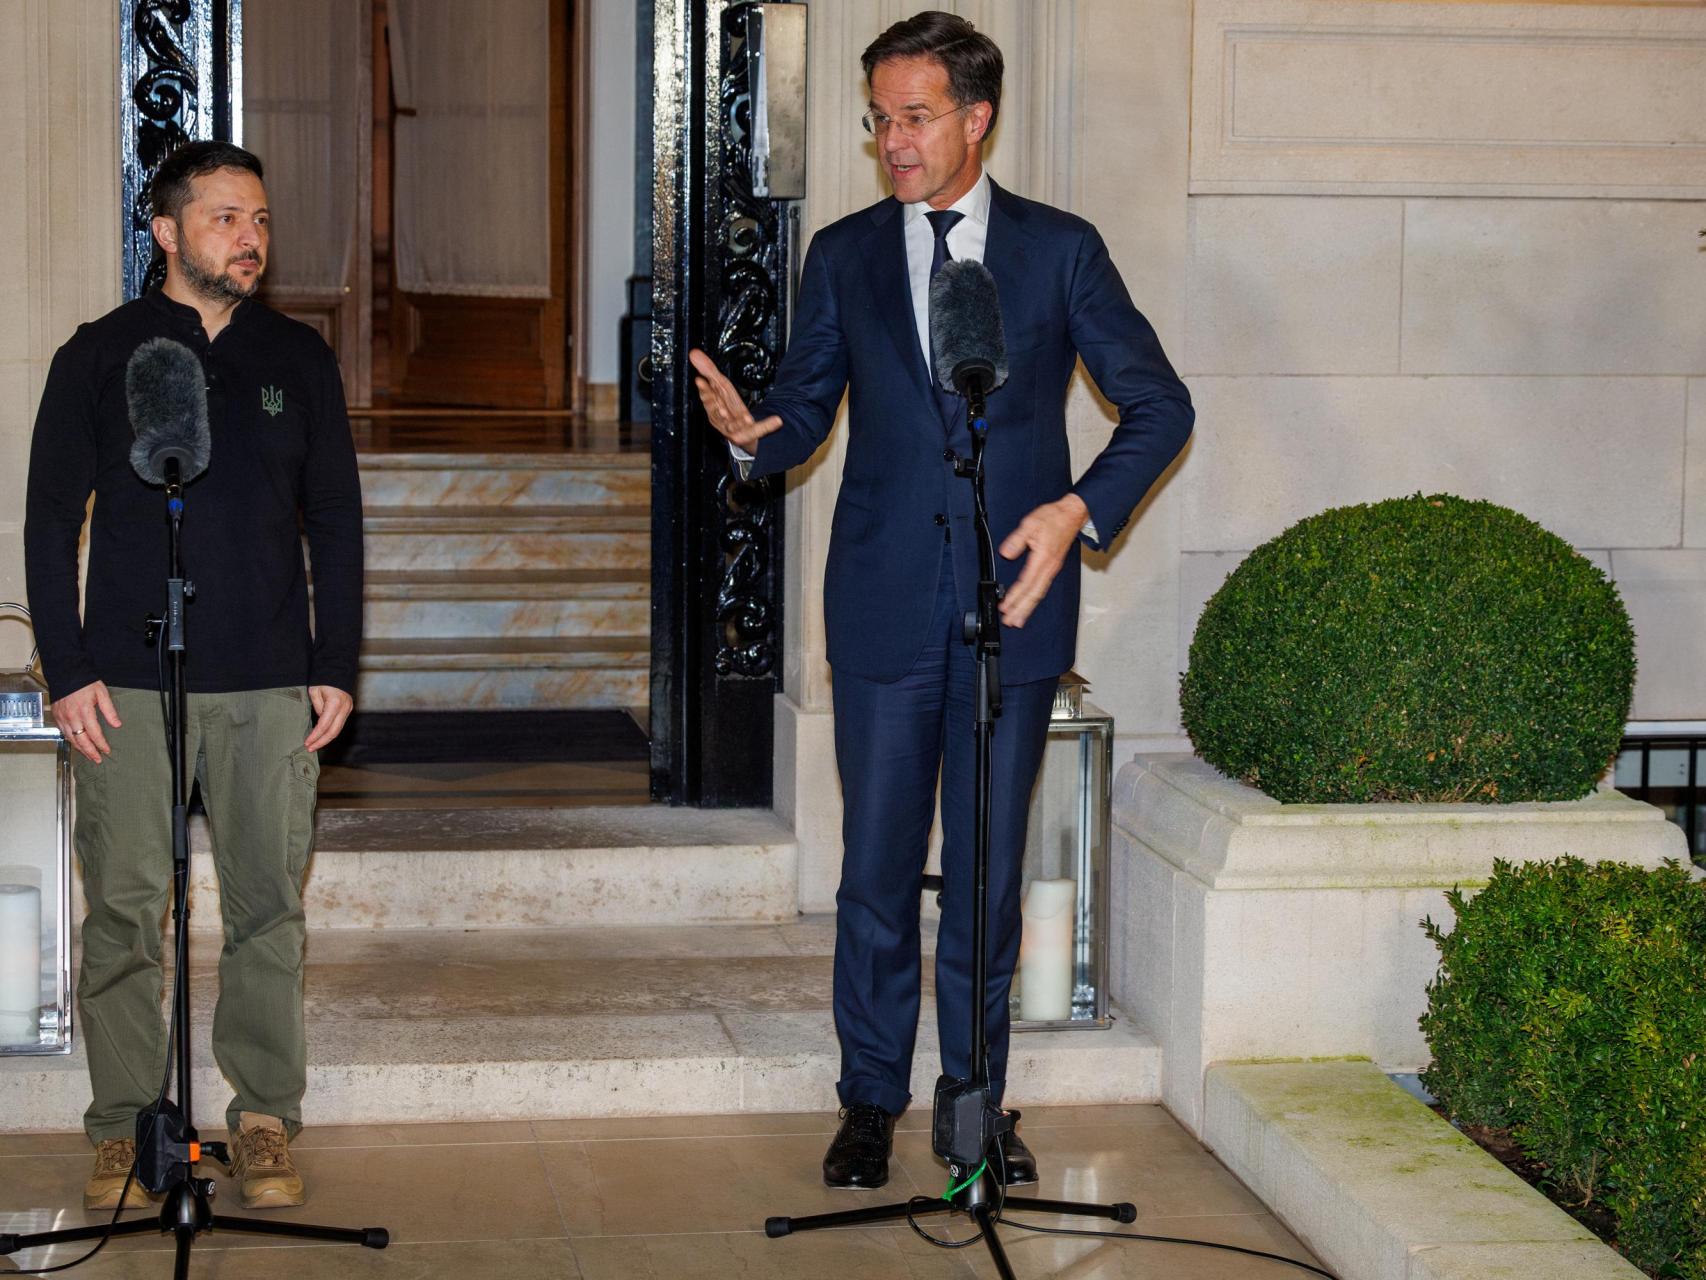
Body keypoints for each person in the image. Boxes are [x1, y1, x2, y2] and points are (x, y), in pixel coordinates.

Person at [690, 12, 1194, 1189]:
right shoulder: (844, 253)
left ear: (977, 118)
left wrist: (1076, 509)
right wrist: (756, 434)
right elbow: (805, 405)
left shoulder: (1059, 251)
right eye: (878, 119)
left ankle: (973, 1103)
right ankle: (869, 1096)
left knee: (981, 875)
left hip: (1010, 611)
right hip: (879, 604)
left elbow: (1158, 403)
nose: (892, 142)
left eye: (914, 117)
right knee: (873, 872)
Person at [23, 141, 363, 1211]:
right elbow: (48, 520)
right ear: (165, 230)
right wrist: (67, 668)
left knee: (267, 908)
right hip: (125, 680)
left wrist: (334, 663)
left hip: (267, 679)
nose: (250, 239)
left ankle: (262, 1117)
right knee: (125, 910)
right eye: (225, 218)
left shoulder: (297, 357)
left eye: (258, 219)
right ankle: (127, 1123)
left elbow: (336, 518)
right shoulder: (98, 355)